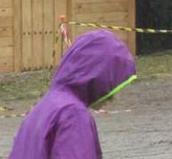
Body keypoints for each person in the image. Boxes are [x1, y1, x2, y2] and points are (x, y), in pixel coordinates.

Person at [9, 30, 136, 158]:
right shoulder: (73, 114)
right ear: (97, 75)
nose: (114, 97)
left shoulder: (42, 107)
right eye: (112, 84)